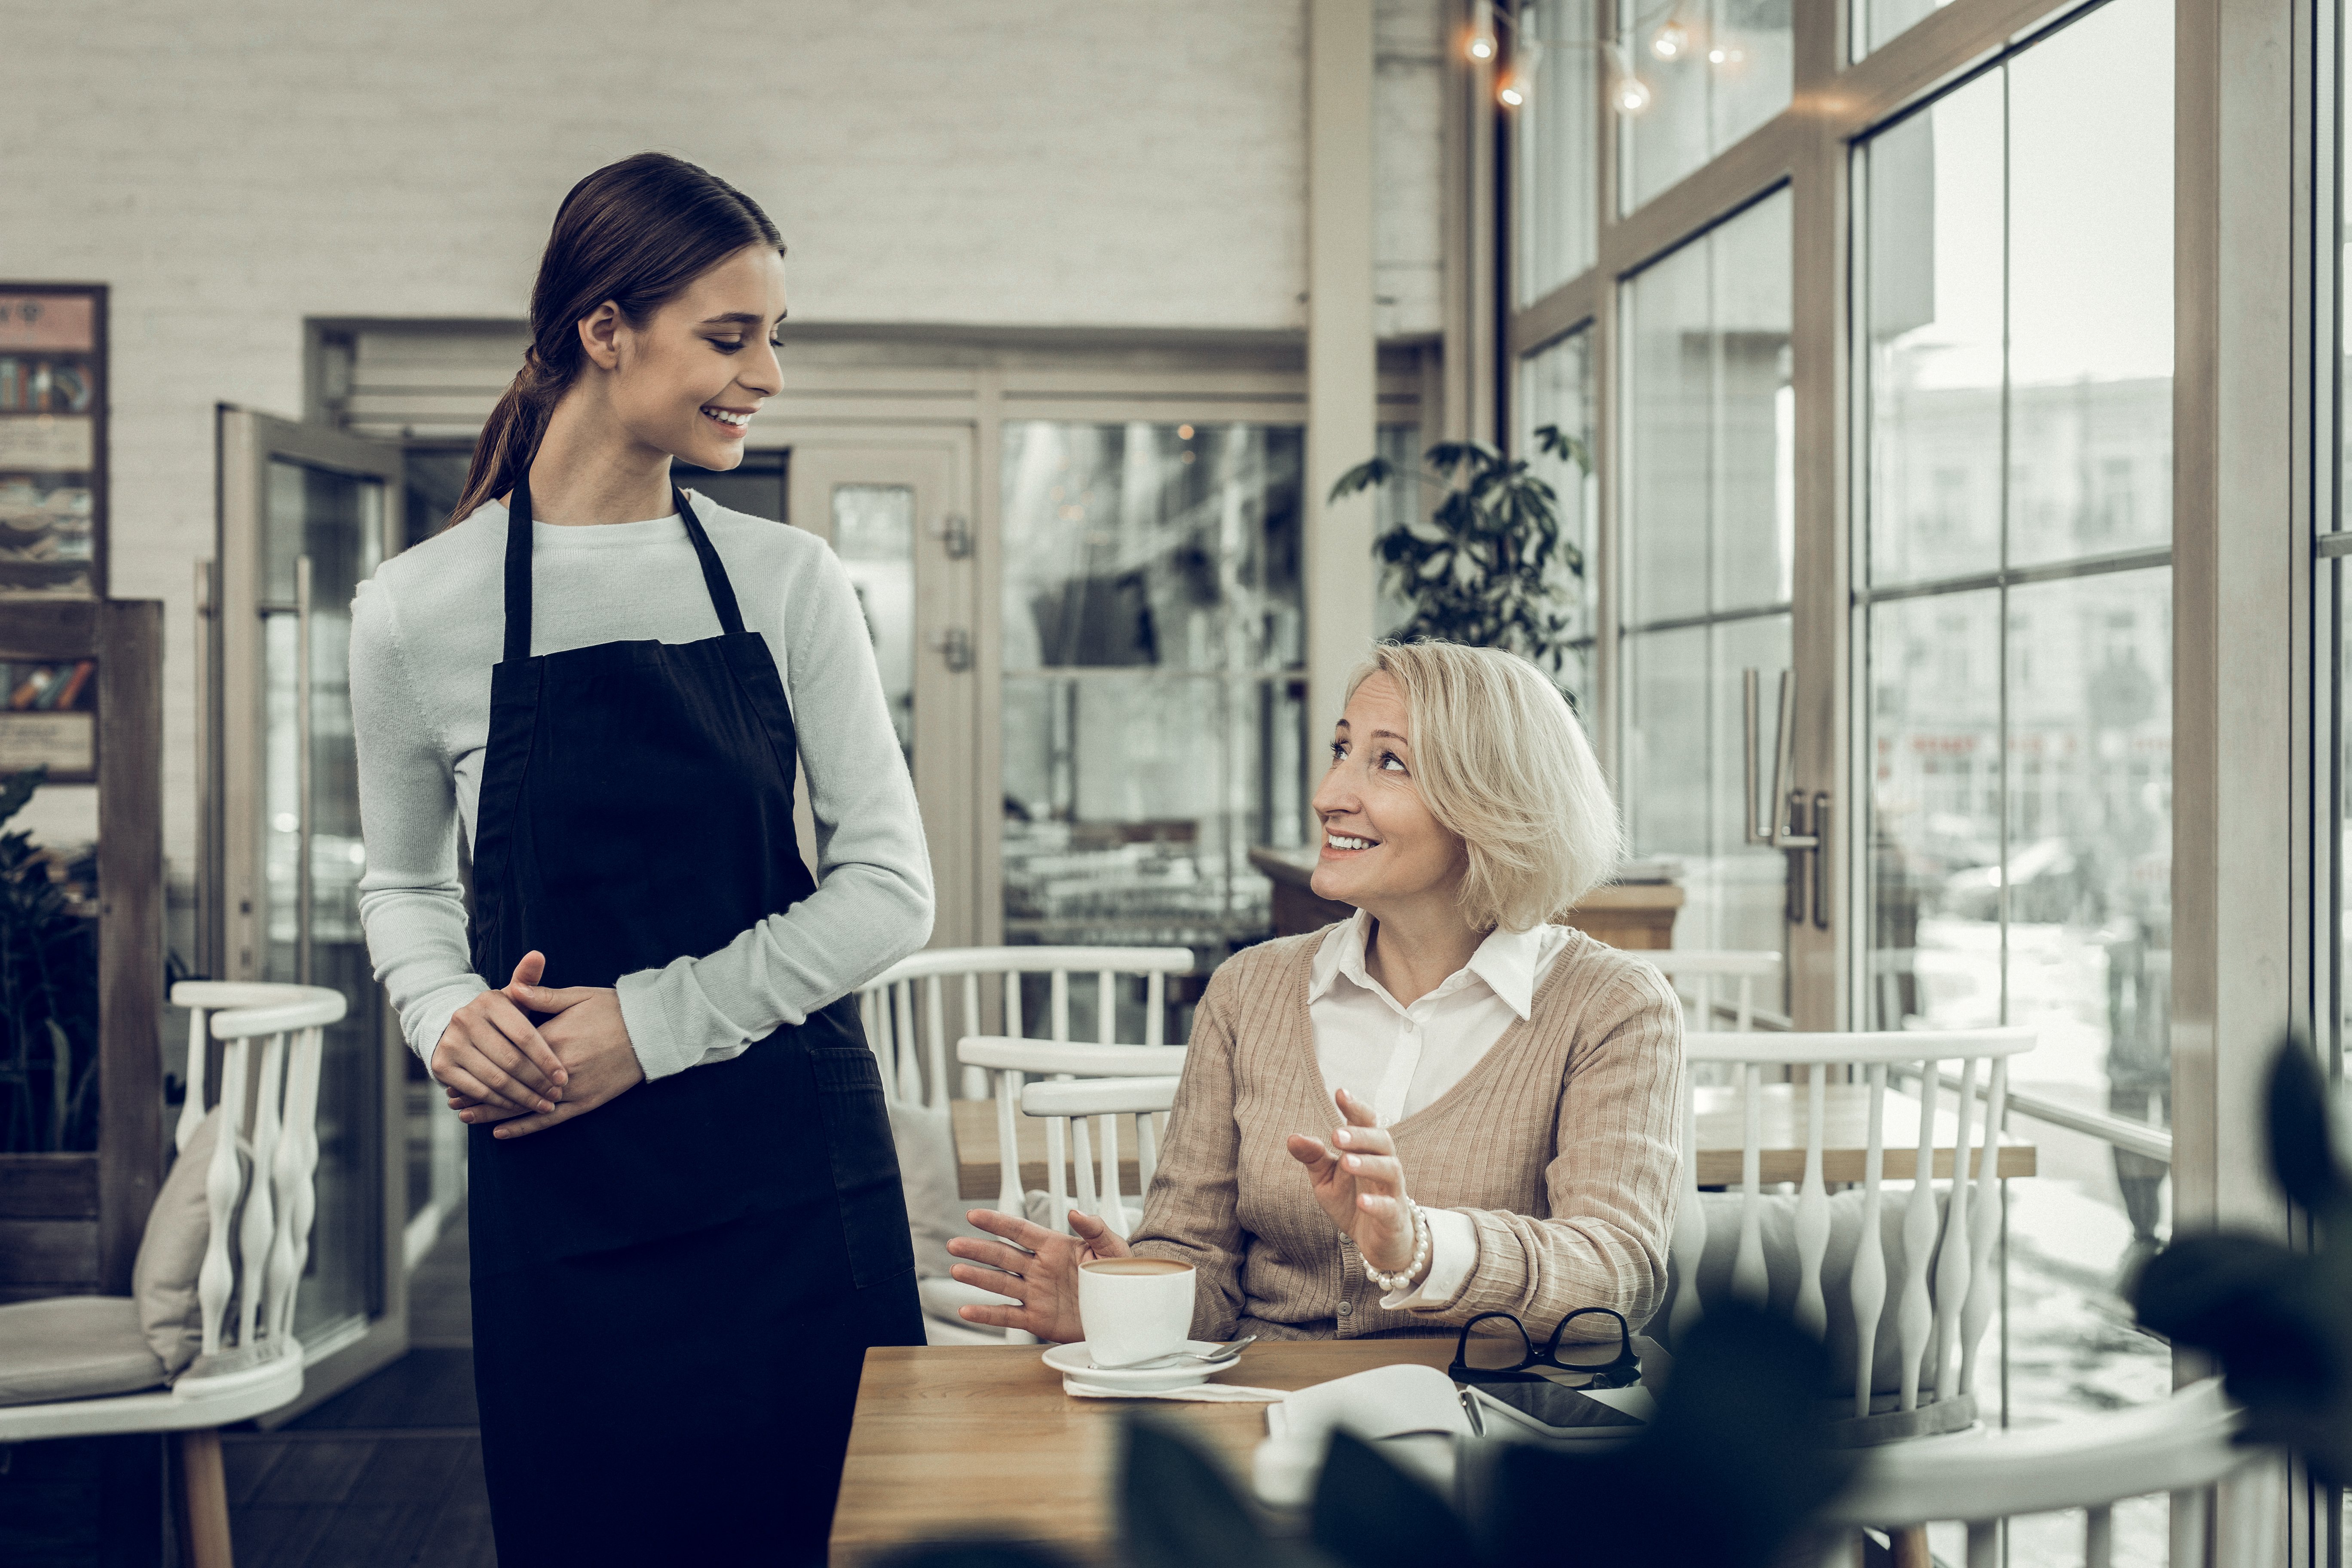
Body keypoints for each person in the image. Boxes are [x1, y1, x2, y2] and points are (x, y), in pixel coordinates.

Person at [350, 153, 930, 1567]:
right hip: (569, 1190)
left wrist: (647, 1025)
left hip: (795, 1178)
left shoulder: (790, 580)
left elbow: (890, 887)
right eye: (732, 338)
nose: (768, 374)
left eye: (773, 336)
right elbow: (407, 885)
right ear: (606, 330)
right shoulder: (417, 609)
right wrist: (442, 1017)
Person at [948, 641, 1683, 1345]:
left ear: (1491, 803)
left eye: (1387, 762)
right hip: (1264, 1413)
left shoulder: (1614, 1009)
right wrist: (1126, 1296)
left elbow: (1616, 1273)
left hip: (1488, 1427)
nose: (1328, 796)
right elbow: (1196, 1262)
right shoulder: (1248, 991)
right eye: (1341, 751)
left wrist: (1421, 1247)